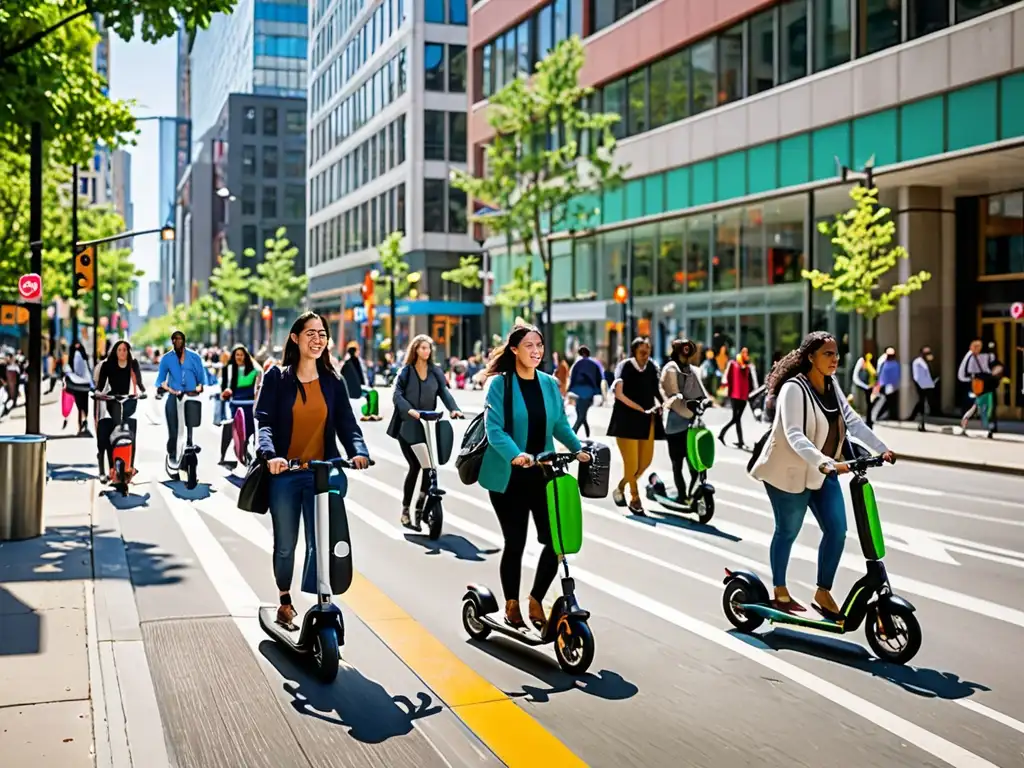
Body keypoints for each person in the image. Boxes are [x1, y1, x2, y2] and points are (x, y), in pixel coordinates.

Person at [749, 332, 894, 617]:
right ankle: (779, 590)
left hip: (822, 471)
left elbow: (852, 420)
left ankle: (823, 591)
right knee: (788, 531)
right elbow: (793, 434)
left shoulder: (832, 384)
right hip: (789, 473)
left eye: (836, 353)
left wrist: (883, 449)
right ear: (810, 357)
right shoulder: (794, 388)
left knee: (837, 531)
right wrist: (824, 461)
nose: (835, 359)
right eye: (828, 354)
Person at [255, 311, 371, 629]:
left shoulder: (333, 381)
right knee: (286, 543)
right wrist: (271, 456)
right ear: (295, 337)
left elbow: (348, 425)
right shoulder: (277, 378)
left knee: (322, 540)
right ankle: (284, 599)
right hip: (285, 473)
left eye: (323, 334)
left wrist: (359, 452)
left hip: (322, 473)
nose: (318, 339)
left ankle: (321, 597)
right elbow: (263, 423)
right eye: (311, 333)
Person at [477, 324, 589, 631]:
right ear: (514, 350)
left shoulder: (550, 384)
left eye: (539, 345)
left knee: (556, 542)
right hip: (509, 476)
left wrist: (579, 449)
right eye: (529, 345)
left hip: (544, 474)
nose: (536, 351)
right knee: (515, 541)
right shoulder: (500, 385)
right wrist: (516, 454)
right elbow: (494, 428)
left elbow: (559, 425)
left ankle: (536, 598)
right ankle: (511, 604)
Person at [388, 334, 463, 527]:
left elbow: (444, 392)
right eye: (422, 348)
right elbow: (397, 395)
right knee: (415, 466)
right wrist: (410, 410)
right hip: (408, 425)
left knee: (429, 468)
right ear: (415, 350)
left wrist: (454, 409)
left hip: (428, 425)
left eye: (428, 348)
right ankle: (405, 510)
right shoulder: (406, 372)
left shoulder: (435, 372)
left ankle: (420, 506)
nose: (426, 351)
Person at [607, 337, 665, 515]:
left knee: (645, 462)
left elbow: (656, 390)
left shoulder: (651, 368)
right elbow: (619, 393)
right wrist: (638, 407)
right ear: (634, 351)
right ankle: (634, 498)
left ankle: (620, 487)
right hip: (626, 421)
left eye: (647, 351)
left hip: (647, 419)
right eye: (642, 352)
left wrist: (662, 403)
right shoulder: (625, 366)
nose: (645, 355)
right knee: (631, 465)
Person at [660, 338, 713, 501]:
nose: (687, 353)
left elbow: (701, 391)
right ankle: (682, 495)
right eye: (684, 350)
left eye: (689, 350)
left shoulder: (690, 369)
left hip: (690, 425)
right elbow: (674, 397)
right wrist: (691, 411)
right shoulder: (670, 369)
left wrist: (705, 401)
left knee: (694, 463)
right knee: (677, 464)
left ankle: (692, 494)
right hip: (675, 425)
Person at [95, 341, 145, 481]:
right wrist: (98, 393)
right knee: (115, 429)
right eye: (120, 350)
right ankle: (112, 466)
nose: (122, 352)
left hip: (129, 400)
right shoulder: (108, 365)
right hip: (112, 400)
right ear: (115, 352)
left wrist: (142, 393)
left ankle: (130, 466)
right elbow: (100, 385)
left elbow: (139, 384)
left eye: (125, 350)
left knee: (131, 431)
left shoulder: (133, 364)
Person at [154, 331, 207, 462]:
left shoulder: (195, 357)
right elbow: (161, 380)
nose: (178, 342)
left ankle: (189, 444)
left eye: (180, 339)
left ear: (184, 340)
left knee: (190, 425)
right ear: (172, 341)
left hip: (190, 397)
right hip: (174, 397)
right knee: (174, 430)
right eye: (175, 339)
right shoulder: (166, 358)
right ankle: (172, 451)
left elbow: (201, 380)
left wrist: (198, 388)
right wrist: (168, 388)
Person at [218, 344, 262, 464]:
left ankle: (244, 453)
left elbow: (260, 377)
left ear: (245, 356)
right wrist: (226, 392)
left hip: (250, 405)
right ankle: (224, 456)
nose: (239, 357)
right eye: (237, 354)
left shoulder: (253, 370)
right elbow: (223, 389)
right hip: (235, 405)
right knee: (232, 430)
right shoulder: (229, 369)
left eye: (242, 355)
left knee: (248, 430)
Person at [719, 347, 758, 448]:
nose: (746, 354)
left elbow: (754, 381)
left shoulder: (749, 367)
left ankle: (728, 437)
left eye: (747, 353)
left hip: (744, 396)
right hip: (734, 395)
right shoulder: (732, 364)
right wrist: (724, 385)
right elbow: (726, 376)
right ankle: (729, 437)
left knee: (737, 418)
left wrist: (755, 392)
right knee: (736, 418)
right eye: (744, 352)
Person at [567, 345, 603, 437]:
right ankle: (586, 435)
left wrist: (569, 390)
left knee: (581, 415)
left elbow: (572, 378)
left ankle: (572, 434)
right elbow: (599, 379)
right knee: (582, 415)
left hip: (578, 391)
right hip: (589, 391)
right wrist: (599, 393)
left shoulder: (577, 364)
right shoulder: (594, 364)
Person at [65, 340, 94, 435]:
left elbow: (70, 370)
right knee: (84, 404)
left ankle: (81, 424)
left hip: (76, 384)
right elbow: (88, 370)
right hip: (85, 384)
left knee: (79, 406)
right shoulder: (83, 355)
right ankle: (84, 422)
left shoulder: (73, 355)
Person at [910, 346, 939, 432]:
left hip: (929, 385)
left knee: (924, 402)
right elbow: (917, 376)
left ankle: (915, 417)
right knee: (921, 402)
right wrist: (922, 385)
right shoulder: (918, 362)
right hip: (922, 385)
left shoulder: (927, 362)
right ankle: (919, 421)